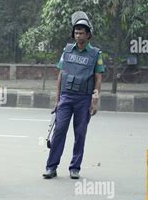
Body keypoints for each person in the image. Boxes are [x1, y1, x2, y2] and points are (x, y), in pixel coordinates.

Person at [43, 11, 104, 180]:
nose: (78, 35)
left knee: (80, 134)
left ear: (88, 34)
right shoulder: (67, 50)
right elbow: (61, 76)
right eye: (76, 32)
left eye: (81, 32)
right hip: (66, 97)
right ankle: (51, 167)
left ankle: (75, 168)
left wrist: (95, 101)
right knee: (59, 131)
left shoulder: (95, 54)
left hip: (84, 99)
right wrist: (57, 99)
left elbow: (98, 79)